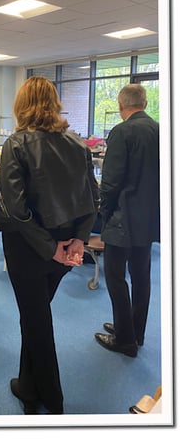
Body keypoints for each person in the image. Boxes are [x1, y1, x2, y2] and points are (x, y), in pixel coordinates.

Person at [0, 76, 98, 414]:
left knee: (36, 321)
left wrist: (49, 247)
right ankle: (27, 385)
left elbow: (15, 208)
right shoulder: (77, 143)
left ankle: (53, 404)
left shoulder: (17, 144)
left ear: (21, 105)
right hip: (63, 248)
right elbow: (92, 199)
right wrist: (77, 241)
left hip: (30, 250)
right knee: (34, 317)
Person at [95, 84, 159, 357]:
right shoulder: (160, 130)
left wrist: (104, 213)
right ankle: (136, 330)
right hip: (150, 218)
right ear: (144, 103)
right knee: (141, 277)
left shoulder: (122, 131)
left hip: (123, 219)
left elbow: (110, 182)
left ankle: (124, 339)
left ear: (121, 106)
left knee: (115, 276)